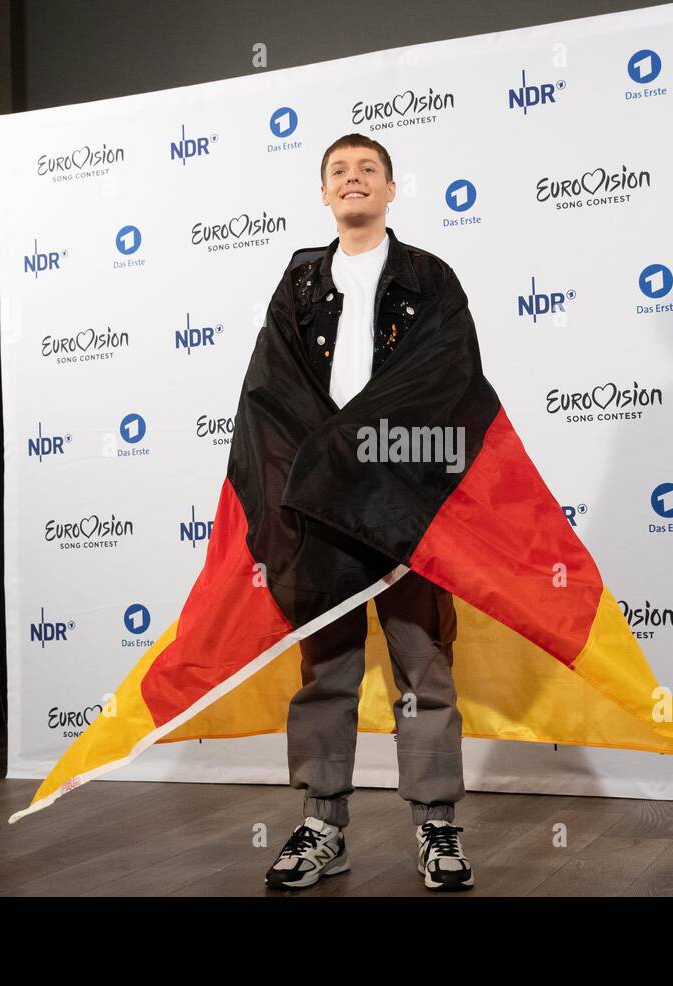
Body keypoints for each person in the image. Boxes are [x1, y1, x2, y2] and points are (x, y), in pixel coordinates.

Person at [264, 134, 474, 892]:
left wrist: (397, 496)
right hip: (323, 514)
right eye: (338, 172)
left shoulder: (431, 280)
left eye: (367, 171)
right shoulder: (297, 286)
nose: (353, 180)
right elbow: (271, 401)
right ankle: (324, 824)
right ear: (324, 195)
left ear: (390, 190)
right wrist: (289, 507)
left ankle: (437, 826)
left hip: (406, 510)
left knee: (422, 666)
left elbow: (449, 388)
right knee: (325, 672)